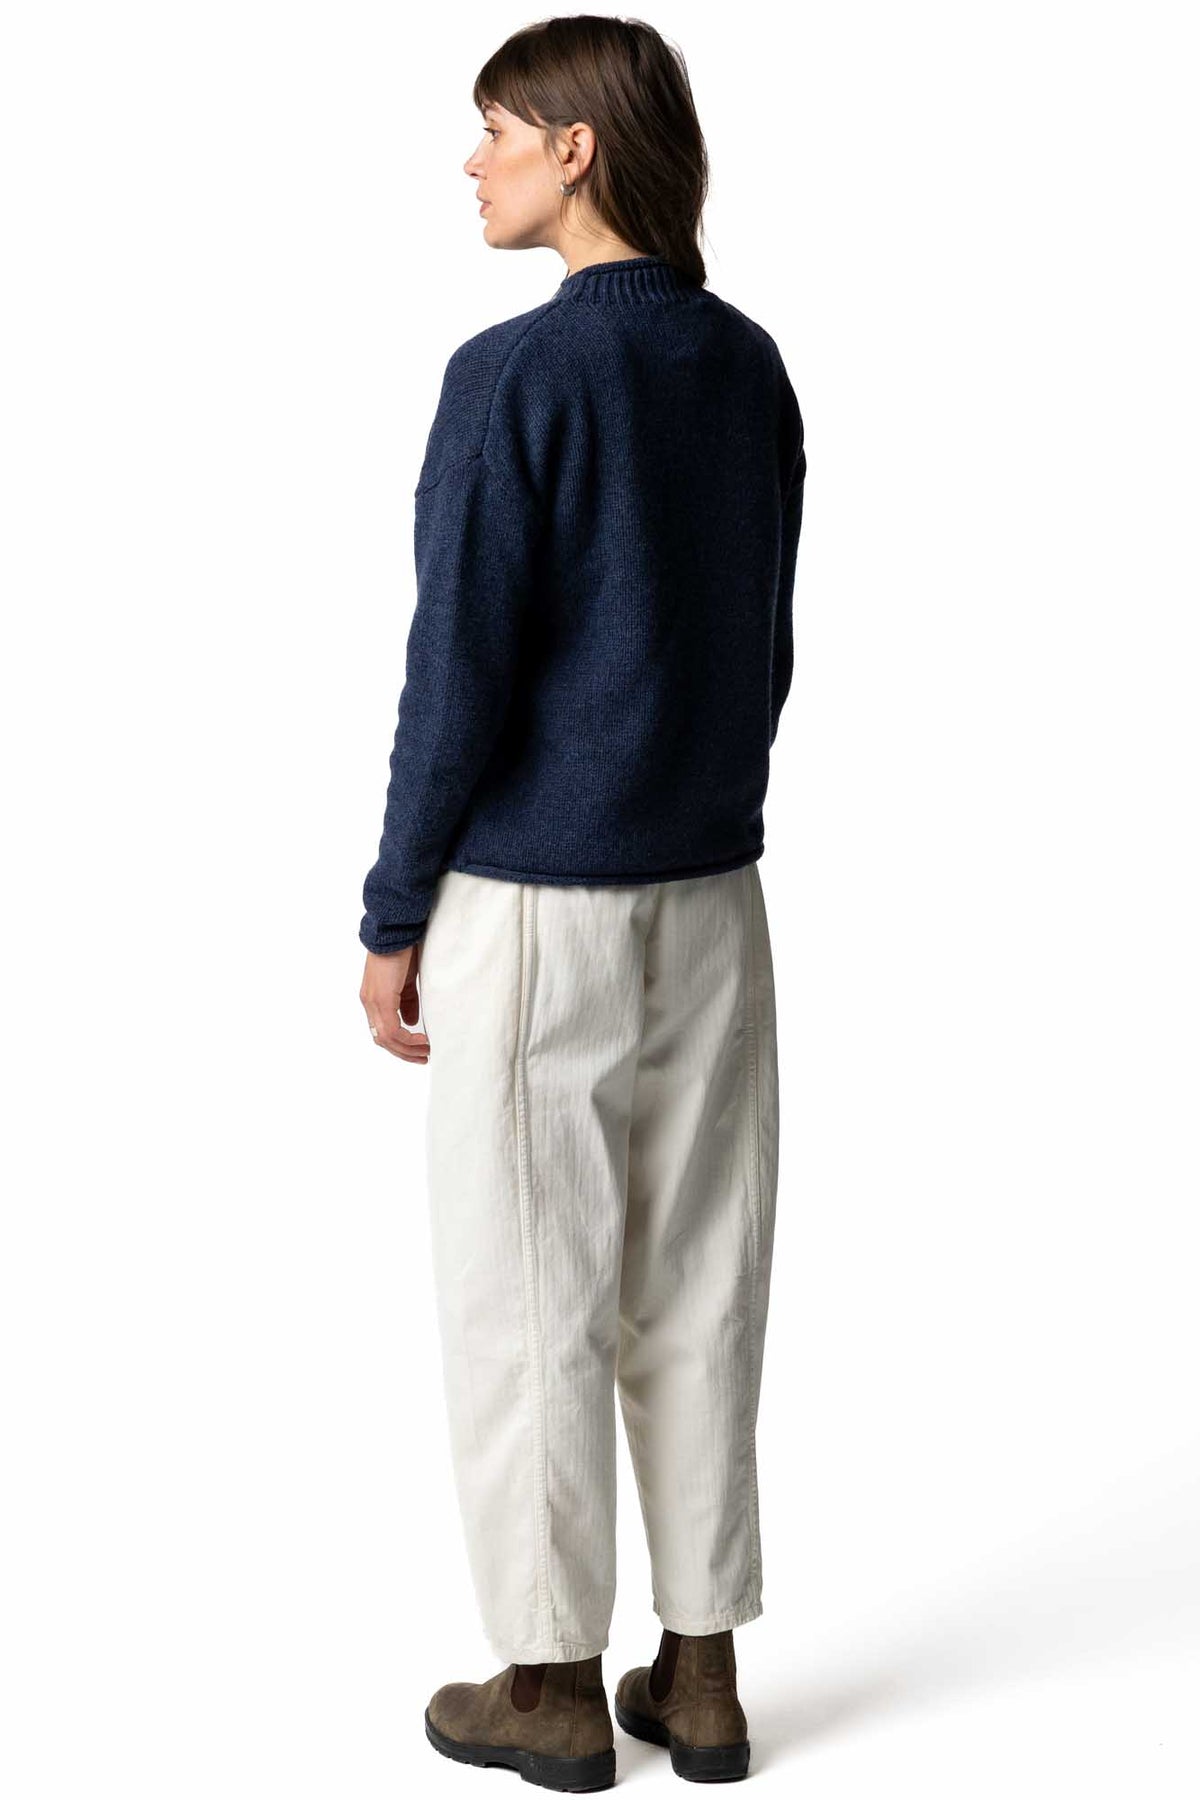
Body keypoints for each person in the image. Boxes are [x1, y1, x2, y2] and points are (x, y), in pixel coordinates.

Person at [358, 16, 805, 1790]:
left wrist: (395, 908)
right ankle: (700, 1672)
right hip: (715, 896)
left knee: (526, 1294)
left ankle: (548, 1685)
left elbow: (455, 675)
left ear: (577, 149)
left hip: (541, 902)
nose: (470, 162)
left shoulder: (517, 374)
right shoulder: (748, 367)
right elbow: (763, 647)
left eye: (494, 130)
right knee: (700, 1281)